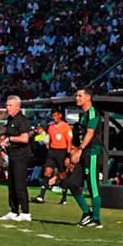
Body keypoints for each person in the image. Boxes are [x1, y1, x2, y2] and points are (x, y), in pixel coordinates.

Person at [67, 87, 104, 228]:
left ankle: (96, 219)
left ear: (88, 97)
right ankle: (87, 213)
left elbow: (90, 133)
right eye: (76, 96)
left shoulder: (92, 113)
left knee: (92, 186)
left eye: (80, 96)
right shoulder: (82, 115)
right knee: (72, 183)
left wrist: (80, 150)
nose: (77, 98)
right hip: (84, 153)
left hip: (92, 153)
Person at [0, 95, 32, 222]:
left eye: (10, 105)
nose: (8, 108)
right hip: (12, 155)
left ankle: (25, 212)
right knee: (11, 184)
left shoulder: (22, 120)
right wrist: (3, 143)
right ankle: (13, 210)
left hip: (21, 156)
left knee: (19, 184)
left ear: (18, 107)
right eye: (7, 105)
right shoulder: (10, 120)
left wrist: (9, 139)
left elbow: (24, 138)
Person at [34, 108, 73, 204]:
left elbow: (69, 142)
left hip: (62, 152)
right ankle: (41, 196)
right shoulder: (50, 127)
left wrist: (68, 156)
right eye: (53, 116)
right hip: (52, 152)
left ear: (60, 115)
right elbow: (49, 139)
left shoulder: (66, 127)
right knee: (47, 172)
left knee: (62, 174)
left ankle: (64, 198)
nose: (54, 117)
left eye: (56, 115)